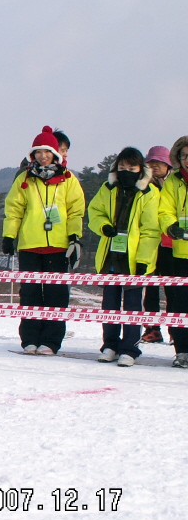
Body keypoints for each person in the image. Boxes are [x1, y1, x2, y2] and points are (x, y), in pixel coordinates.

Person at [2, 126, 85, 355]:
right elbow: (14, 209)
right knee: (29, 293)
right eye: (38, 151)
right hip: (30, 244)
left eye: (47, 151)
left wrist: (74, 238)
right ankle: (29, 338)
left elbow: (76, 211)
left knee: (55, 295)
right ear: (33, 154)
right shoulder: (24, 179)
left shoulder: (69, 180)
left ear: (55, 154)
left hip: (58, 246)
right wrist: (9, 235)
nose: (42, 156)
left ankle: (51, 340)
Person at [87, 147, 160, 367]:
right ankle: (110, 344)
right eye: (121, 167)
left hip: (134, 258)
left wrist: (143, 260)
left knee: (132, 306)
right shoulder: (108, 189)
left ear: (140, 169)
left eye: (131, 168)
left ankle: (130, 348)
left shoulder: (149, 193)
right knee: (109, 305)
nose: (126, 171)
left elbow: (151, 230)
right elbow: (94, 212)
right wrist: (103, 226)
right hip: (111, 256)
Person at [158, 136, 188, 367]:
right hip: (180, 252)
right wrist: (170, 226)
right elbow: (164, 209)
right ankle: (182, 350)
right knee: (179, 304)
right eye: (184, 155)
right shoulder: (173, 182)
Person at [141, 146, 174, 343]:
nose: (154, 166)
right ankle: (152, 329)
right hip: (150, 244)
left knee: (173, 289)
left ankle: (175, 329)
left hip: (171, 244)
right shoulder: (142, 185)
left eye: (159, 162)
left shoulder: (175, 184)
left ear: (168, 164)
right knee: (150, 289)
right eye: (151, 162)